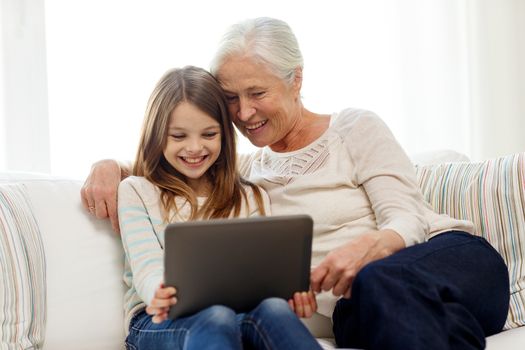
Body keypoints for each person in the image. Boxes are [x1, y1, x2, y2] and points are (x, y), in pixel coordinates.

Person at [82, 18, 510, 350]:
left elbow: (407, 216)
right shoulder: (245, 173)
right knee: (375, 308)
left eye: (257, 92)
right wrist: (110, 166)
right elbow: (181, 159)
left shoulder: (353, 127)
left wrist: (370, 248)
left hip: (447, 264)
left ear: (296, 80)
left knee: (377, 280)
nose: (245, 112)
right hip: (367, 309)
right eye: (231, 98)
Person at [114, 65, 322, 350]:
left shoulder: (250, 196)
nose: (195, 147)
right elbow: (146, 266)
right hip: (156, 320)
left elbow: (262, 272)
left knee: (273, 309)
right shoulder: (137, 191)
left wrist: (289, 294)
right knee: (216, 317)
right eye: (179, 136)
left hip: (235, 315)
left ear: (225, 135)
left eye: (209, 134)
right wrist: (157, 292)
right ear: (156, 135)